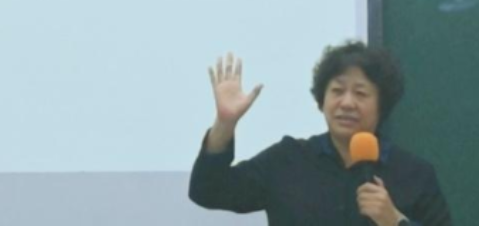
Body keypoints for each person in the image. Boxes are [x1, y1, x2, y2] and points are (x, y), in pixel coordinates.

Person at [189, 41, 453, 226]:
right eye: (337, 91)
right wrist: (225, 124)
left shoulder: (414, 174)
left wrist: (395, 221)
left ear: (382, 105)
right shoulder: (287, 160)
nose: (347, 103)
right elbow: (207, 191)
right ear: (322, 101)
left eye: (360, 93)